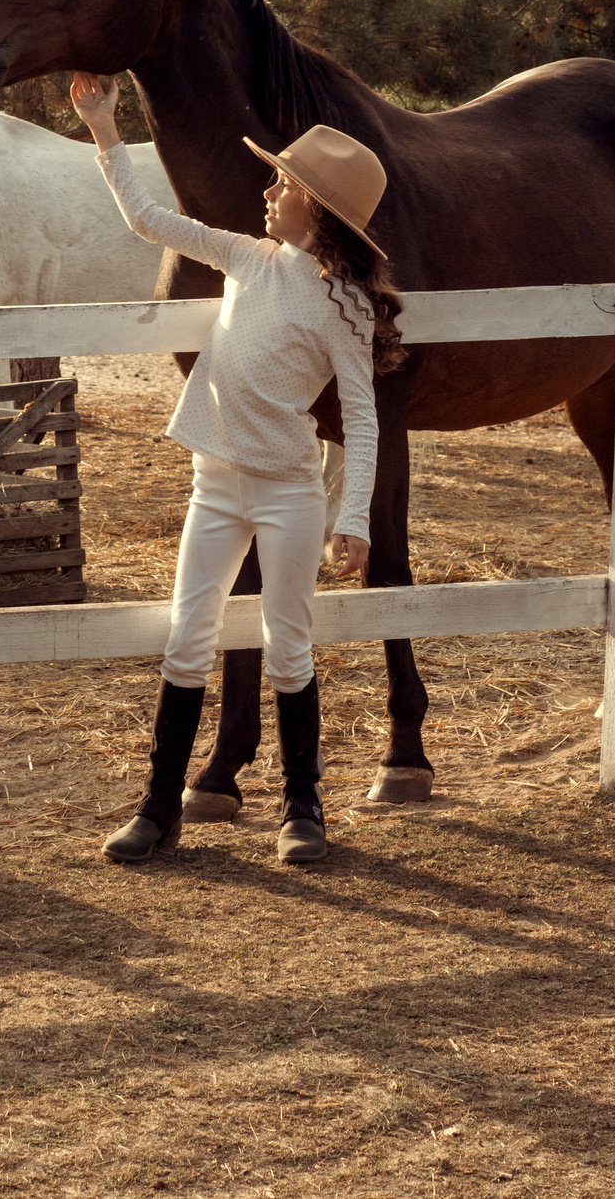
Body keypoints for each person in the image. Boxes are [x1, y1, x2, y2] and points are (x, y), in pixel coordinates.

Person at [69, 71, 406, 867]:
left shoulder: (344, 305)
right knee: (188, 637)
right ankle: (159, 805)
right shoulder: (245, 257)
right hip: (213, 487)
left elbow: (362, 417)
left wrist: (351, 516)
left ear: (316, 209)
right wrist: (106, 134)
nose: (268, 190)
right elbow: (151, 220)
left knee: (290, 645)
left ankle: (303, 807)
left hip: (290, 494)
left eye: (282, 183)